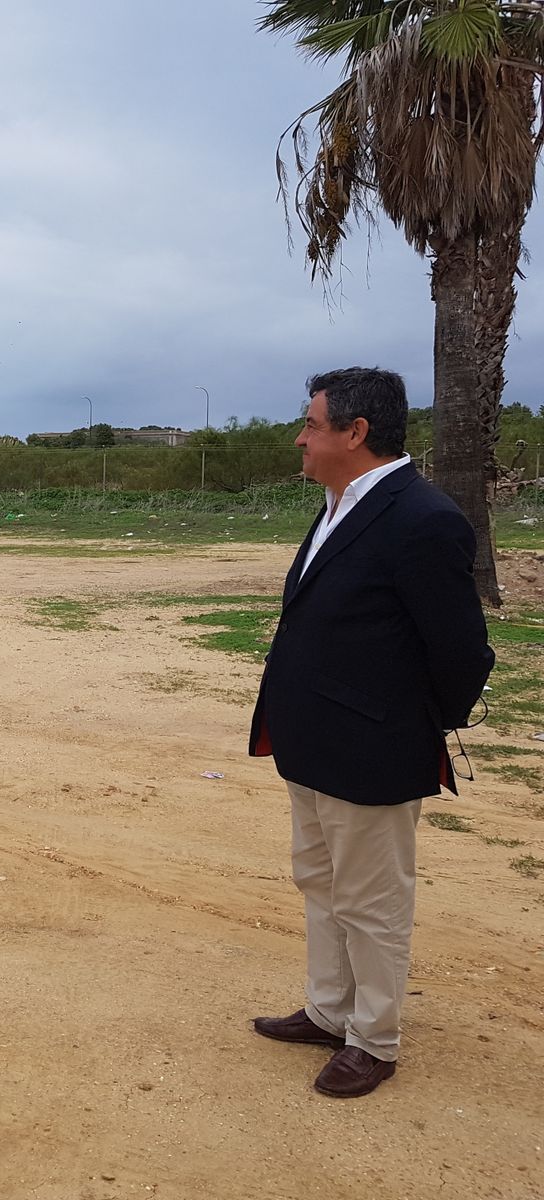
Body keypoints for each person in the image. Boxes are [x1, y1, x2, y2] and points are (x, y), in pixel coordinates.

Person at [248, 366, 494, 1098]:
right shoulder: (339, 507)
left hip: (373, 750)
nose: (301, 436)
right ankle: (329, 1012)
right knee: (321, 884)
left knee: (373, 901)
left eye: (313, 424)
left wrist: (403, 726)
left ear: (356, 433)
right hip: (315, 742)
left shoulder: (423, 517)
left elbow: (461, 653)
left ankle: (374, 1039)